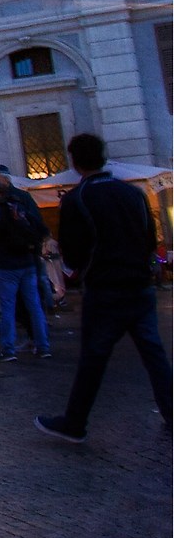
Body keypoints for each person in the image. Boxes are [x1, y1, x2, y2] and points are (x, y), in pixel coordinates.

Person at [36, 133, 172, 443]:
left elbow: (71, 252)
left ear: (75, 162)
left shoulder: (77, 199)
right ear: (103, 156)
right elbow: (150, 238)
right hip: (140, 285)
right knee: (154, 354)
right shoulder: (134, 194)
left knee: (94, 357)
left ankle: (75, 421)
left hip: (105, 288)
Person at [0, 170, 50, 362]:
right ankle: (43, 345)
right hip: (27, 261)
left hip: (7, 264)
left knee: (7, 307)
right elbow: (41, 228)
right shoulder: (20, 207)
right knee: (34, 305)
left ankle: (8, 348)